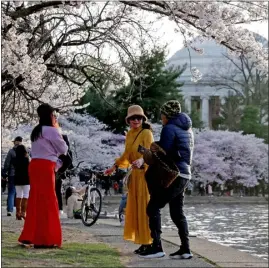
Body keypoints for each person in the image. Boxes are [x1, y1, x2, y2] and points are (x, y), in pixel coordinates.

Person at [139, 100, 194, 259]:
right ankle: (185, 249)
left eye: (162, 115)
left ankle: (157, 247)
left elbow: (166, 152)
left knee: (153, 207)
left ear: (167, 115)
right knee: (177, 213)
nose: (161, 118)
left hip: (173, 174)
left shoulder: (169, 128)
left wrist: (153, 148)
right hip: (185, 174)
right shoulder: (188, 129)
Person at [105, 105, 154, 254]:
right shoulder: (130, 135)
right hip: (134, 176)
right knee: (135, 210)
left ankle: (149, 242)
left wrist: (142, 161)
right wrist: (114, 166)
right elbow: (126, 154)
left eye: (139, 117)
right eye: (133, 118)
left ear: (143, 119)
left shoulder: (146, 133)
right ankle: (141, 241)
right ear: (128, 120)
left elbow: (151, 154)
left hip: (145, 176)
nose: (136, 120)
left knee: (145, 210)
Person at [18, 103, 68, 248]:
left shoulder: (36, 130)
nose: (55, 117)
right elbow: (63, 149)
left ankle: (30, 235)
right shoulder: (52, 131)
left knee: (34, 200)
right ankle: (47, 238)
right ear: (50, 115)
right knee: (49, 200)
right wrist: (58, 130)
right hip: (46, 166)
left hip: (34, 165)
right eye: (54, 115)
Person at [2, 136, 23, 216]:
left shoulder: (11, 151)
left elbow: (7, 163)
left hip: (12, 174)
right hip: (22, 175)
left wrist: (4, 173)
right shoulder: (25, 151)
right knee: (22, 193)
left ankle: (10, 210)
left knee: (11, 192)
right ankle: (20, 210)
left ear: (15, 142)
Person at [14, 145, 30, 220]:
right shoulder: (26, 159)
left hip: (17, 179)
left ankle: (18, 213)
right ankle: (23, 212)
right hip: (26, 179)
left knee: (18, 195)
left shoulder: (15, 159)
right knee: (26, 195)